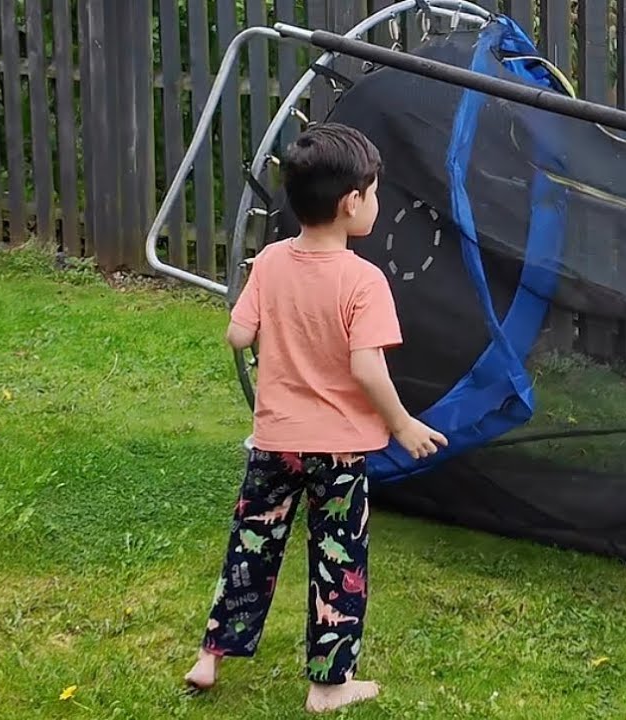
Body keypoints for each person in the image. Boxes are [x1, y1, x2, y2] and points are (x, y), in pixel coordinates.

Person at [183, 123, 448, 713]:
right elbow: (367, 369)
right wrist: (402, 424)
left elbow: (237, 333)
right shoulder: (364, 281)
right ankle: (329, 685)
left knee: (252, 544)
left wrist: (267, 316)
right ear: (352, 203)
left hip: (274, 441)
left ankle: (210, 656)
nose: (376, 203)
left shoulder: (272, 260)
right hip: (340, 450)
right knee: (339, 559)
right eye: (374, 193)